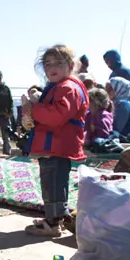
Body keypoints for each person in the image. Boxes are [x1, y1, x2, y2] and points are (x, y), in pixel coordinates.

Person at [24, 45, 88, 238]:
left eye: (58, 63)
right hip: (53, 145)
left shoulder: (68, 88)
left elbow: (57, 116)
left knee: (54, 183)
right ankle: (57, 217)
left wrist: (33, 110)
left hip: (57, 145)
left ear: (69, 66)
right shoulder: (59, 87)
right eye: (47, 64)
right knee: (52, 182)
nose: (52, 67)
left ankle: (54, 222)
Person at [107, 76, 130, 141]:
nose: (107, 91)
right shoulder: (114, 104)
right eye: (107, 88)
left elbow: (116, 128)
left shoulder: (123, 104)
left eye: (110, 89)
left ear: (119, 88)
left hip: (123, 141)